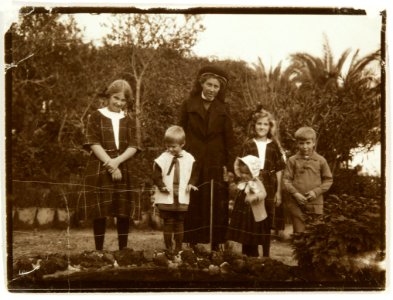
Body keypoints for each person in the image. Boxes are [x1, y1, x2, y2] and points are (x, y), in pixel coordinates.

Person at [179, 65, 235, 251]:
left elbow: (230, 139)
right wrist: (179, 157)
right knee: (193, 198)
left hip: (215, 160)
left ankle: (217, 242)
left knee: (216, 200)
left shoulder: (224, 108)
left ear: (220, 89)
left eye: (216, 86)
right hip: (192, 159)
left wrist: (230, 166)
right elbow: (180, 132)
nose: (212, 89)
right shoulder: (188, 105)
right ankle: (192, 241)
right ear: (202, 83)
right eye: (209, 84)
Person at [81, 79, 139, 251]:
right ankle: (99, 251)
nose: (119, 103)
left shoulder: (129, 119)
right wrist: (110, 165)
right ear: (108, 96)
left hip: (124, 167)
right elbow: (93, 143)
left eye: (123, 100)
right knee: (100, 212)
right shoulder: (95, 116)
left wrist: (117, 162)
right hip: (100, 166)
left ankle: (123, 251)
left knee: (123, 211)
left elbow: (134, 146)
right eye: (116, 98)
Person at [227, 108, 286, 257]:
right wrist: (244, 181)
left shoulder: (274, 146)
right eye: (259, 124)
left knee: (265, 219)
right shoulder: (248, 144)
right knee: (250, 219)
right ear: (254, 126)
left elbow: (279, 170)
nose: (262, 127)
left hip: (269, 186)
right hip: (251, 185)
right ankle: (248, 254)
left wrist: (279, 192)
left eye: (265, 124)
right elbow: (238, 165)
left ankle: (266, 255)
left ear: (270, 127)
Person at [152, 125, 199, 254]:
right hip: (167, 196)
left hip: (182, 196)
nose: (170, 149)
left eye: (174, 146)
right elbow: (155, 176)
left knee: (179, 223)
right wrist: (161, 185)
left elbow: (195, 174)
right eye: (168, 146)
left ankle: (178, 248)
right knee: (168, 222)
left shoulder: (189, 159)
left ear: (182, 144)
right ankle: (168, 248)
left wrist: (191, 183)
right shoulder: (163, 158)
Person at [283, 126, 333, 233]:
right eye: (301, 143)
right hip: (296, 203)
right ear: (297, 144)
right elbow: (286, 180)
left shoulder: (320, 160)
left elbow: (328, 180)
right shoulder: (292, 160)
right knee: (299, 234)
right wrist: (295, 194)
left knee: (315, 234)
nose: (305, 146)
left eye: (308, 143)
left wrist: (316, 192)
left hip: (315, 204)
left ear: (313, 143)